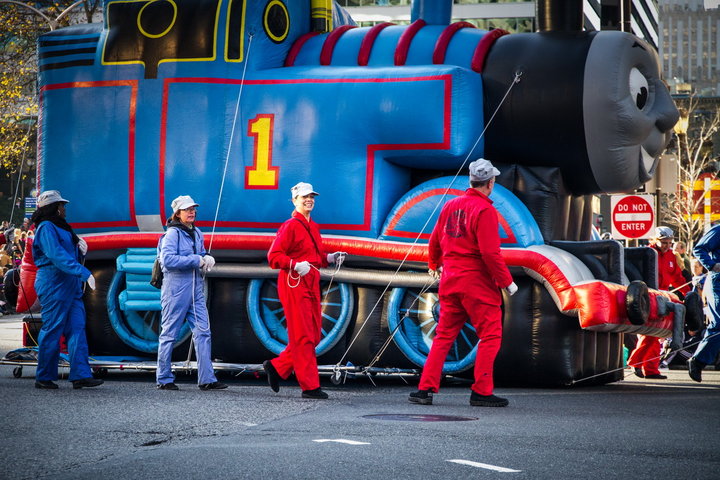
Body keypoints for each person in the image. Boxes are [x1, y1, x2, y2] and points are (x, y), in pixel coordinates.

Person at [408, 158, 517, 407]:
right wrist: (506, 282)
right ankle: (481, 391)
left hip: (450, 280)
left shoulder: (450, 205)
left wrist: (433, 264)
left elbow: (434, 240)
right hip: (477, 283)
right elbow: (490, 253)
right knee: (490, 335)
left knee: (444, 336)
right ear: (490, 183)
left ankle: (424, 390)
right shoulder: (486, 210)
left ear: (471, 180)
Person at [262, 182, 346, 399]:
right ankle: (310, 387)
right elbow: (274, 257)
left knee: (314, 335)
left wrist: (329, 258)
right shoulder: (290, 226)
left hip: (310, 282)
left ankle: (278, 366)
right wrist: (293, 264)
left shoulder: (313, 226)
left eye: (311, 196)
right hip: (295, 283)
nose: (309, 200)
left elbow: (314, 257)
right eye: (304, 197)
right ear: (294, 201)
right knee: (304, 337)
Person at [31, 190, 102, 389]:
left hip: (67, 283)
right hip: (54, 283)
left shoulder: (58, 227)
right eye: (61, 205)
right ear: (53, 208)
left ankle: (80, 374)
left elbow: (64, 255)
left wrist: (79, 250)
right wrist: (83, 271)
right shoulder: (46, 227)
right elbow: (56, 255)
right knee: (53, 329)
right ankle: (44, 376)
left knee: (77, 329)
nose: (64, 208)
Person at [156, 195, 226, 391]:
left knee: (203, 332)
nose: (192, 212)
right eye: (187, 209)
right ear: (178, 213)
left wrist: (206, 257)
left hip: (193, 291)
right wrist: (197, 260)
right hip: (176, 291)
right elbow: (167, 261)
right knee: (169, 334)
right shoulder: (172, 234)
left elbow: (199, 254)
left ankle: (207, 379)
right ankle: (164, 378)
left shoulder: (197, 233)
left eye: (193, 208)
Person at [628, 226, 690, 380]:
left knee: (656, 335)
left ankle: (650, 369)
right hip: (647, 296)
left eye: (669, 242)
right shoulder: (647, 254)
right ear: (655, 240)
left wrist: (688, 292)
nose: (667, 245)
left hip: (663, 296)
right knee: (649, 333)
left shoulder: (671, 256)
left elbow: (676, 277)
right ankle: (637, 363)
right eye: (664, 242)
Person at [688, 225, 720, 382]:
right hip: (718, 282)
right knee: (719, 324)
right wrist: (712, 265)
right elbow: (699, 248)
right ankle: (698, 361)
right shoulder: (718, 230)